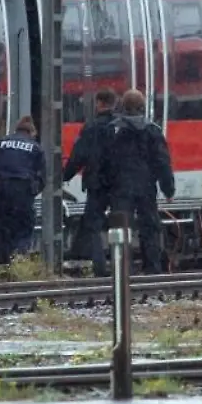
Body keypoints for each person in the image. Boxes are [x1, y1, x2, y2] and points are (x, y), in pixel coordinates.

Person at [102, 89, 174, 274]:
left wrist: (105, 187)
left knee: (121, 229)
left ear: (123, 107)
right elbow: (162, 162)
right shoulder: (152, 131)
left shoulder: (112, 130)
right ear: (143, 107)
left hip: (120, 188)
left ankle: (122, 270)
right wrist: (168, 189)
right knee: (149, 228)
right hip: (146, 188)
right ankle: (152, 269)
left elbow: (105, 161)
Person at [63, 89, 117, 277]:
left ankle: (100, 267)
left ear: (99, 104)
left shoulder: (91, 127)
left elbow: (79, 155)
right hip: (120, 185)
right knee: (120, 224)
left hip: (97, 184)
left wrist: (64, 176)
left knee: (93, 225)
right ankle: (122, 267)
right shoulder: (120, 127)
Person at [0, 115, 45, 260]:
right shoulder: (36, 148)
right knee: (25, 226)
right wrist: (32, 192)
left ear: (16, 130)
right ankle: (19, 257)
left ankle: (6, 260)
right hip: (22, 192)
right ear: (32, 133)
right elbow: (43, 178)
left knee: (3, 227)